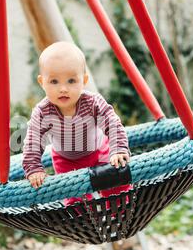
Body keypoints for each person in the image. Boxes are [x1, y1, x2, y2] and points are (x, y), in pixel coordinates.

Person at [22, 41, 132, 207]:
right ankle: (84, 223)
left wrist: (118, 149)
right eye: (54, 82)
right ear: (41, 82)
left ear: (84, 80)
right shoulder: (43, 111)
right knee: (75, 203)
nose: (63, 88)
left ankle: (119, 212)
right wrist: (34, 167)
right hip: (66, 161)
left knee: (117, 180)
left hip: (98, 152)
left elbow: (113, 124)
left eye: (71, 81)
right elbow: (32, 141)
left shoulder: (93, 102)